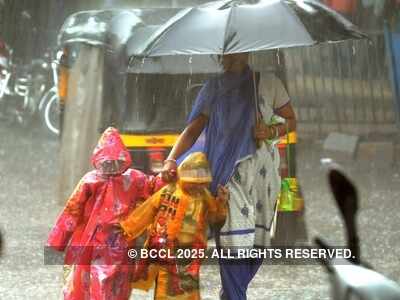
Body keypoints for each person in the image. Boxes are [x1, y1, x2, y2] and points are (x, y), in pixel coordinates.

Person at [161, 53, 296, 300]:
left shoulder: (268, 83)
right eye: (227, 53)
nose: (231, 57)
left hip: (264, 180)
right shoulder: (214, 88)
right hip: (227, 179)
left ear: (248, 52)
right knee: (234, 247)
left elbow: (291, 120)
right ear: (220, 56)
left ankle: (232, 295)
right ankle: (235, 295)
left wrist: (270, 130)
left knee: (257, 247)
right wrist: (171, 158)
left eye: (237, 50)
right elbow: (192, 131)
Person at [46, 127, 164, 300]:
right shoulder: (90, 181)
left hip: (121, 240)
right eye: (107, 162)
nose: (111, 166)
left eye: (115, 162)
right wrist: (58, 240)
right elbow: (73, 211)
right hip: (93, 241)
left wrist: (167, 178)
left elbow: (154, 186)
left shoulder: (133, 179)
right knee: (96, 280)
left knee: (119, 281)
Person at [119, 152, 228, 299]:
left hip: (191, 253)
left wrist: (221, 202)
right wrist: (127, 228)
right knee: (166, 285)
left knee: (189, 287)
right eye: (194, 182)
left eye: (201, 183)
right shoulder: (168, 191)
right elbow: (148, 209)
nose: (197, 186)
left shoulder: (204, 196)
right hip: (167, 249)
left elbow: (215, 218)